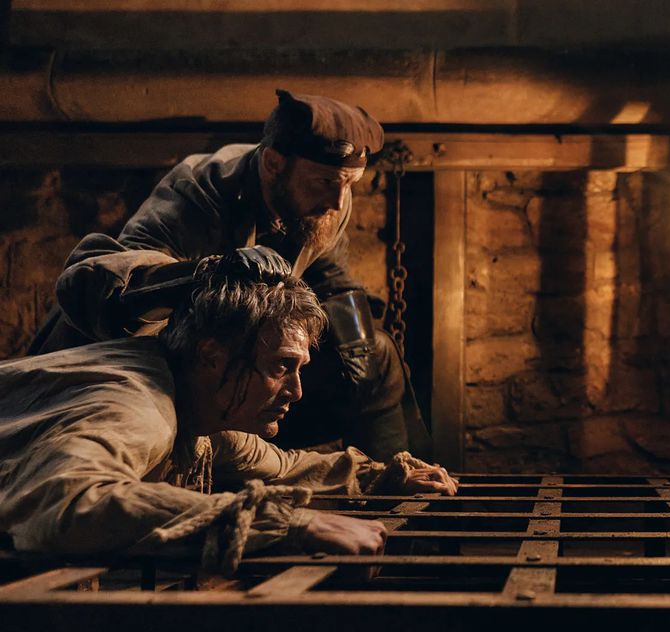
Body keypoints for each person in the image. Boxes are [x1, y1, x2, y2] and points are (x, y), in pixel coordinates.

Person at [27, 89, 426, 460]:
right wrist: (209, 273)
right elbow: (116, 287)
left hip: (235, 365)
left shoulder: (328, 200)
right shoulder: (197, 193)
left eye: (349, 184)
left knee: (376, 353)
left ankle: (400, 491)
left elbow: (327, 271)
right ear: (273, 164)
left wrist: (355, 339)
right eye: (325, 182)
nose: (337, 201)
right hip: (139, 364)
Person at [0, 258, 456, 573]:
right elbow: (70, 503)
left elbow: (286, 466)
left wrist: (381, 477)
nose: (296, 391)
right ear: (211, 355)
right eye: (282, 366)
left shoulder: (201, 409)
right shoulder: (138, 407)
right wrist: (294, 523)